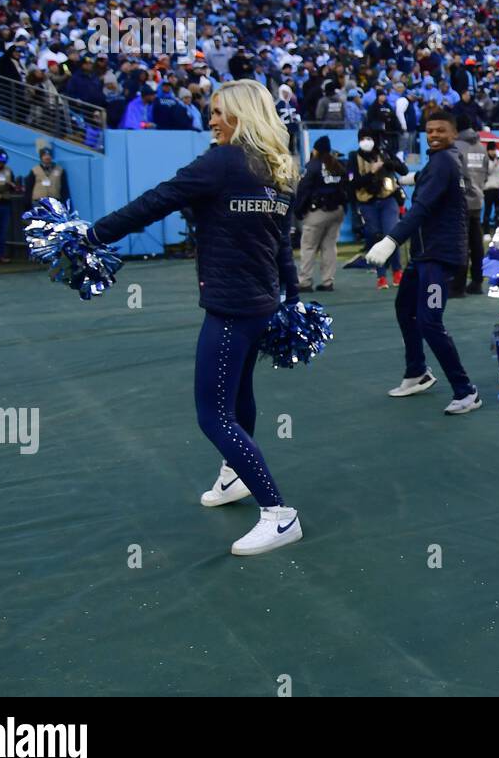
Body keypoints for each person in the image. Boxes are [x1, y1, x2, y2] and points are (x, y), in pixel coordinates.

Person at [85, 79, 304, 556]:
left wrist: (93, 236)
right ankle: (235, 477)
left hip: (231, 308)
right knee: (240, 396)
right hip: (263, 303)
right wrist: (293, 294)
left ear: (241, 115)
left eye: (218, 113)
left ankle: (279, 515)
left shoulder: (223, 162)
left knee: (213, 413)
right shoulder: (279, 167)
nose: (211, 121)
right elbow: (282, 242)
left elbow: (157, 200)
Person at [365, 111, 481, 415]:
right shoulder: (442, 161)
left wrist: (391, 241)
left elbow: (422, 207)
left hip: (439, 258)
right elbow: (429, 181)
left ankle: (466, 391)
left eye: (441, 130)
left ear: (453, 134)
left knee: (429, 321)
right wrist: (408, 177)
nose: (434, 134)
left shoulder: (443, 161)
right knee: (405, 309)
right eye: (429, 130)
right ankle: (417, 372)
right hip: (425, 255)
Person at [348, 134, 406, 289]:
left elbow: (404, 170)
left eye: (369, 138)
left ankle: (397, 271)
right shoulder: (354, 157)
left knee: (391, 234)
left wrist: (387, 163)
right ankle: (381, 275)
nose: (367, 141)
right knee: (376, 236)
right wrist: (371, 173)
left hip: (388, 199)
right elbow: (352, 184)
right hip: (368, 203)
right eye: (363, 138)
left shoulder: (385, 153)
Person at [294, 135, 347, 292]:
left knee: (309, 247)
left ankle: (305, 282)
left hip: (317, 212)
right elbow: (345, 188)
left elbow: (304, 189)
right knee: (329, 246)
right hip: (337, 211)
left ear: (316, 150)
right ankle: (327, 281)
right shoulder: (337, 165)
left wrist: (298, 210)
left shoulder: (313, 166)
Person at [451, 117, 487, 296]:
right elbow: (485, 174)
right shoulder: (482, 148)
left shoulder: (457, 147)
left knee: (461, 244)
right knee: (477, 244)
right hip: (478, 200)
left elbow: (454, 175)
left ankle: (458, 285)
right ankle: (477, 282)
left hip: (461, 202)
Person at [27, 141, 70, 206]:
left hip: (55, 202)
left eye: (49, 155)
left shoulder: (60, 170)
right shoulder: (34, 170)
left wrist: (64, 202)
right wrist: (27, 203)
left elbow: (64, 189)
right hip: (38, 202)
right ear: (41, 157)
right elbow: (29, 188)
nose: (47, 157)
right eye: (44, 155)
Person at [482, 141, 499, 232]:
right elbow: (487, 172)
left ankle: (498, 231)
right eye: (491, 150)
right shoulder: (485, 160)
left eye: (494, 149)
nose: (493, 152)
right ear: (488, 150)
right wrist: (494, 164)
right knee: (488, 211)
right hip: (489, 189)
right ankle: (486, 232)